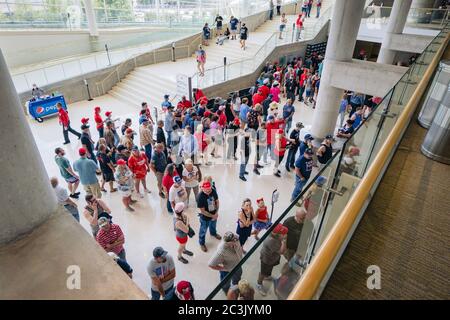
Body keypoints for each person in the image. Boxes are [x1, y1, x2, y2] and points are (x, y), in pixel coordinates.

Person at [256, 223, 288, 296]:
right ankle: (259, 283)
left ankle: (267, 276)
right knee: (263, 272)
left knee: (268, 270)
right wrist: (284, 241)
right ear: (276, 234)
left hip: (272, 257)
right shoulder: (271, 240)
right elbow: (282, 251)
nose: (285, 235)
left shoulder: (275, 236)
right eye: (282, 234)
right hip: (267, 259)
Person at [197, 180, 222, 252]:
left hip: (214, 213)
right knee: (203, 230)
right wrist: (212, 216)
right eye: (207, 190)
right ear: (203, 189)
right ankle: (201, 243)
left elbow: (217, 201)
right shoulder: (200, 197)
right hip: (205, 217)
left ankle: (213, 233)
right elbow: (203, 211)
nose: (209, 191)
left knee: (213, 225)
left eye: (209, 189)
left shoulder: (213, 190)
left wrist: (216, 212)